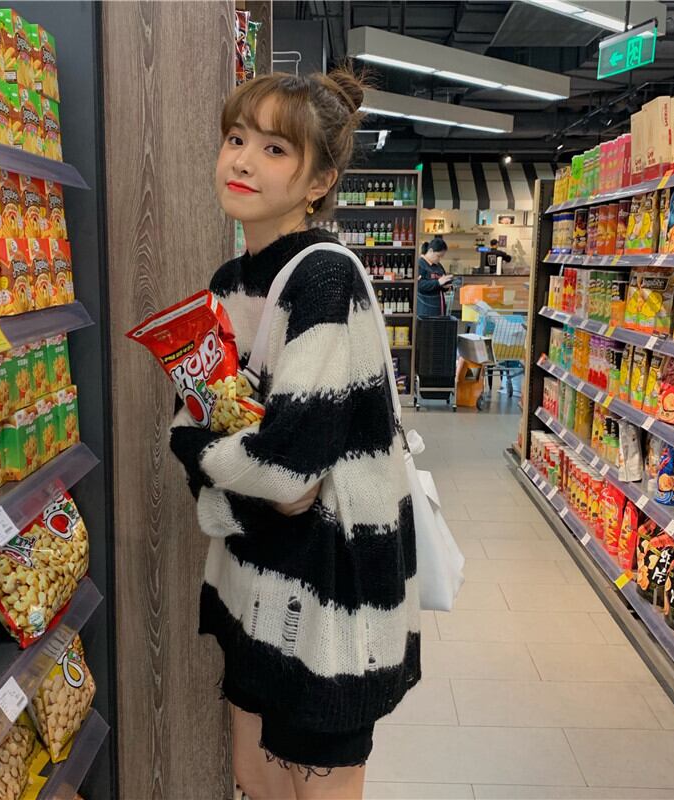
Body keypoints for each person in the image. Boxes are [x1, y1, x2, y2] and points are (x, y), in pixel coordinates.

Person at [169, 67, 420, 800]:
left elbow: (287, 473)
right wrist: (214, 453)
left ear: (320, 182)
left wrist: (197, 453)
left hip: (330, 592)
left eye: (275, 149)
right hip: (255, 579)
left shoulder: (325, 279)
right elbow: (199, 417)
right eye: (236, 138)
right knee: (255, 776)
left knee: (318, 786)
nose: (243, 160)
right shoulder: (228, 282)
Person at [417, 236, 452, 317]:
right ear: (430, 251)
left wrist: (445, 286)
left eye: (441, 257)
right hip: (425, 310)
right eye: (438, 256)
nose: (439, 259)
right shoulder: (420, 264)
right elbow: (419, 285)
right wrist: (438, 282)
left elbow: (441, 282)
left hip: (439, 309)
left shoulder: (438, 266)